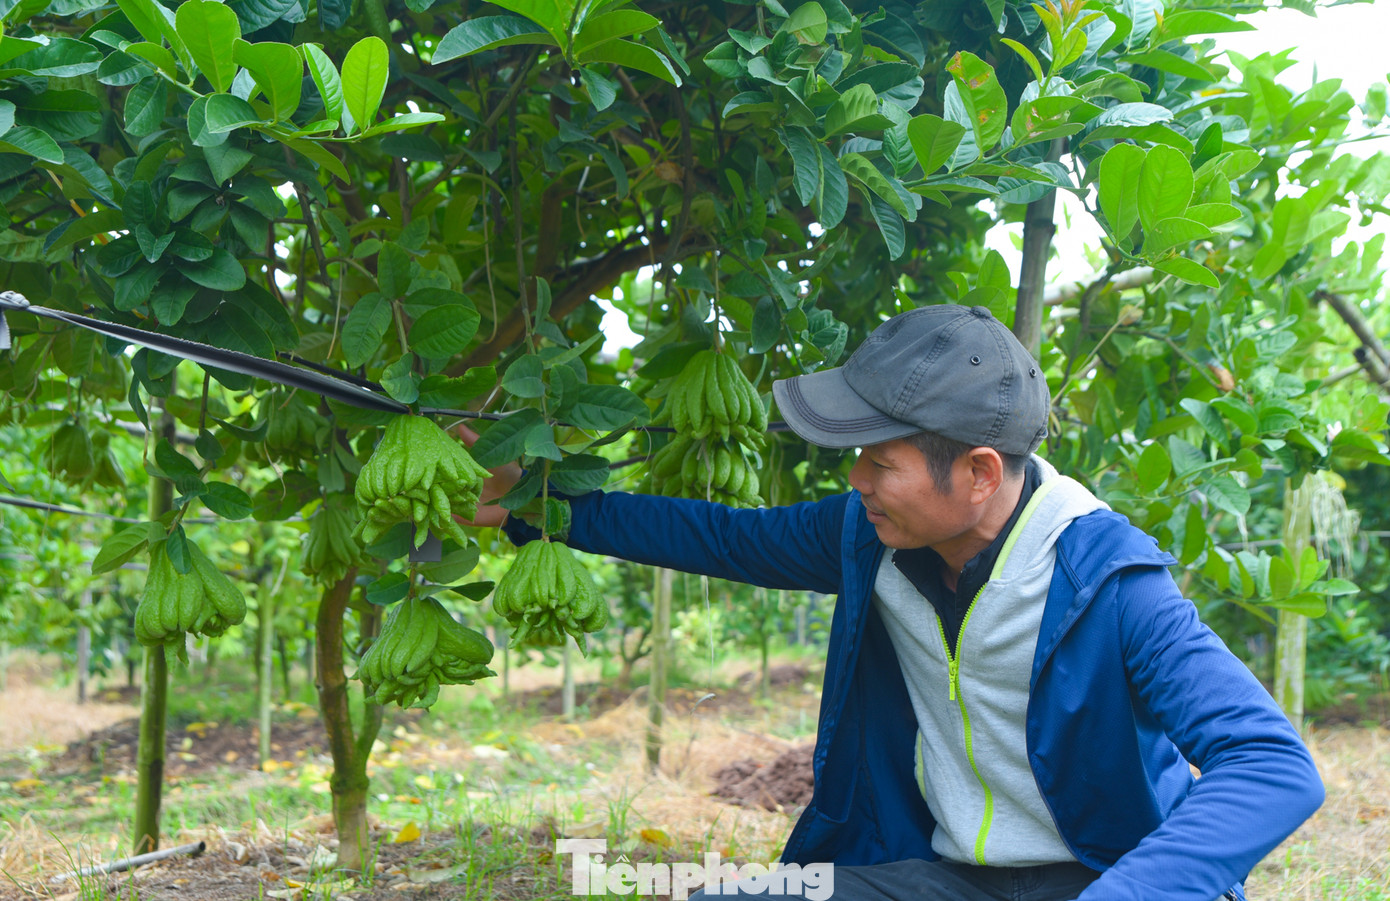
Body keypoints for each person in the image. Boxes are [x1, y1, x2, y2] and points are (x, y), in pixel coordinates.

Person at [461, 305, 1323, 901]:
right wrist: (538, 506)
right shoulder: (869, 535)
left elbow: (1273, 766)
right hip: (946, 877)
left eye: (879, 460)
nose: (856, 480)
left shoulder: (1112, 585)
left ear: (980, 472)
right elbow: (722, 538)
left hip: (1100, 876)